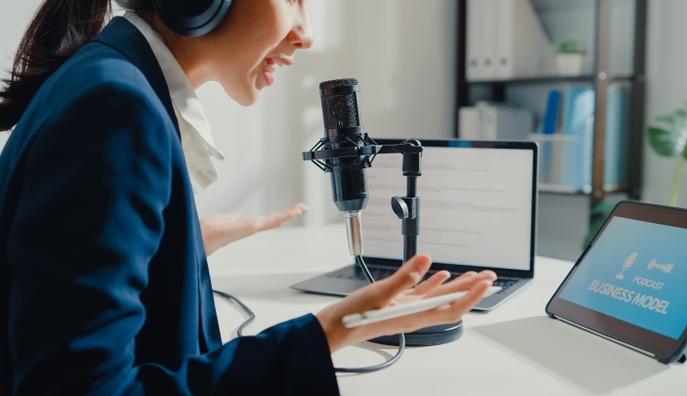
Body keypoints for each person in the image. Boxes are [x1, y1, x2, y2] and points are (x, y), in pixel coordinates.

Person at [0, 0, 497, 394]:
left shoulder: (109, 77)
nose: (307, 34)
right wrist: (331, 331)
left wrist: (181, 245)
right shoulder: (116, 108)